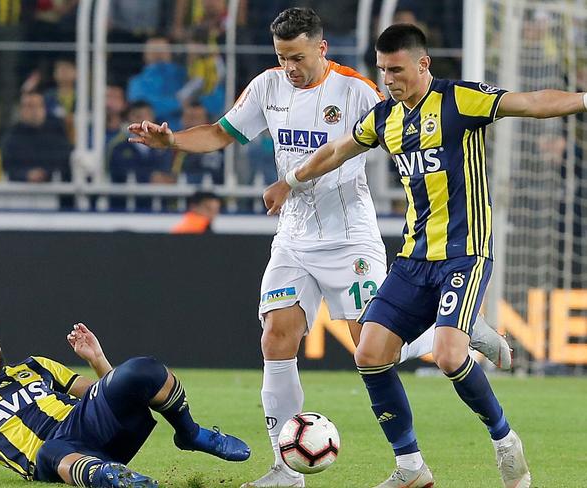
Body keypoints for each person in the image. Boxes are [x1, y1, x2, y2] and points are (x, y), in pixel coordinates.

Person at [128, 10, 510, 488]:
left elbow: (407, 131)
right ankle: (287, 471)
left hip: (350, 237)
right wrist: (173, 142)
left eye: (299, 57)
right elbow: (222, 133)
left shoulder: (355, 91)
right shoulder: (267, 86)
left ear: (322, 49)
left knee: (370, 345)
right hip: (293, 236)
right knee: (276, 337)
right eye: (283, 57)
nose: (290, 67)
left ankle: (455, 329)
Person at [263, 23, 587, 488]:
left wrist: (583, 99)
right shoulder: (385, 118)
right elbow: (335, 150)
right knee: (370, 354)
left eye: (396, 70)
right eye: (382, 70)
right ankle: (411, 468)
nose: (389, 79)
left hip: (465, 252)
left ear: (423, 64)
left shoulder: (459, 100)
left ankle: (504, 441)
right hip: (414, 257)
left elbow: (530, 102)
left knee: (450, 356)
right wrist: (289, 181)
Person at [0, 313, 250, 487]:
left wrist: (97, 358)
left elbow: (114, 395)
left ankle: (191, 434)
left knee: (143, 369)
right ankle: (110, 478)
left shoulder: (36, 366)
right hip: (52, 457)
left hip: (88, 423)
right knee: (51, 449)